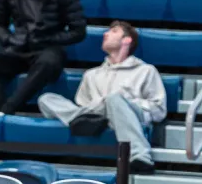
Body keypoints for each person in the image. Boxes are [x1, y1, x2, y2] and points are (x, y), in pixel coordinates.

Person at [38, 21, 164, 174]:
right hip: (95, 116)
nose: (105, 34)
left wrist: (123, 103)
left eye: (114, 31)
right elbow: (84, 105)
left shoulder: (146, 70)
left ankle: (141, 157)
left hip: (130, 116)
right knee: (46, 99)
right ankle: (84, 120)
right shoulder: (91, 74)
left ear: (127, 40)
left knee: (114, 99)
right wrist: (101, 106)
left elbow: (158, 109)